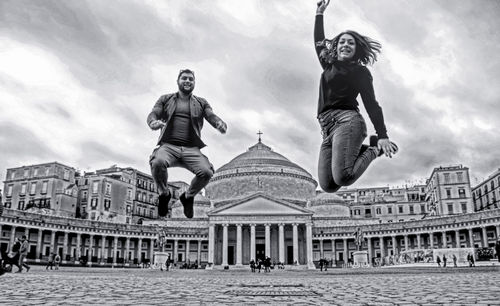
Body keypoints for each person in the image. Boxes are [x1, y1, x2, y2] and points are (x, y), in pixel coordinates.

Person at [314, 0, 398, 194]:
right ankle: (358, 148)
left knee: (344, 177)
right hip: (327, 128)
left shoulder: (360, 72)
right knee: (329, 186)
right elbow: (318, 41)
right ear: (336, 46)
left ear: (356, 49)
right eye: (342, 41)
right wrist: (319, 13)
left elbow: (371, 104)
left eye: (350, 43)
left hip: (348, 121)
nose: (345, 45)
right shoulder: (328, 65)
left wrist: (383, 135)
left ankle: (374, 148)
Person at [147, 69, 228, 218]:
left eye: (191, 79)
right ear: (178, 81)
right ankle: (164, 194)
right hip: (169, 146)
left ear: (194, 83)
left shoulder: (201, 102)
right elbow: (154, 113)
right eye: (184, 78)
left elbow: (210, 115)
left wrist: (219, 123)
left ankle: (188, 196)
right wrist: (153, 122)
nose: (188, 81)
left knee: (207, 172)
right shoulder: (165, 99)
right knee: (157, 162)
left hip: (191, 148)